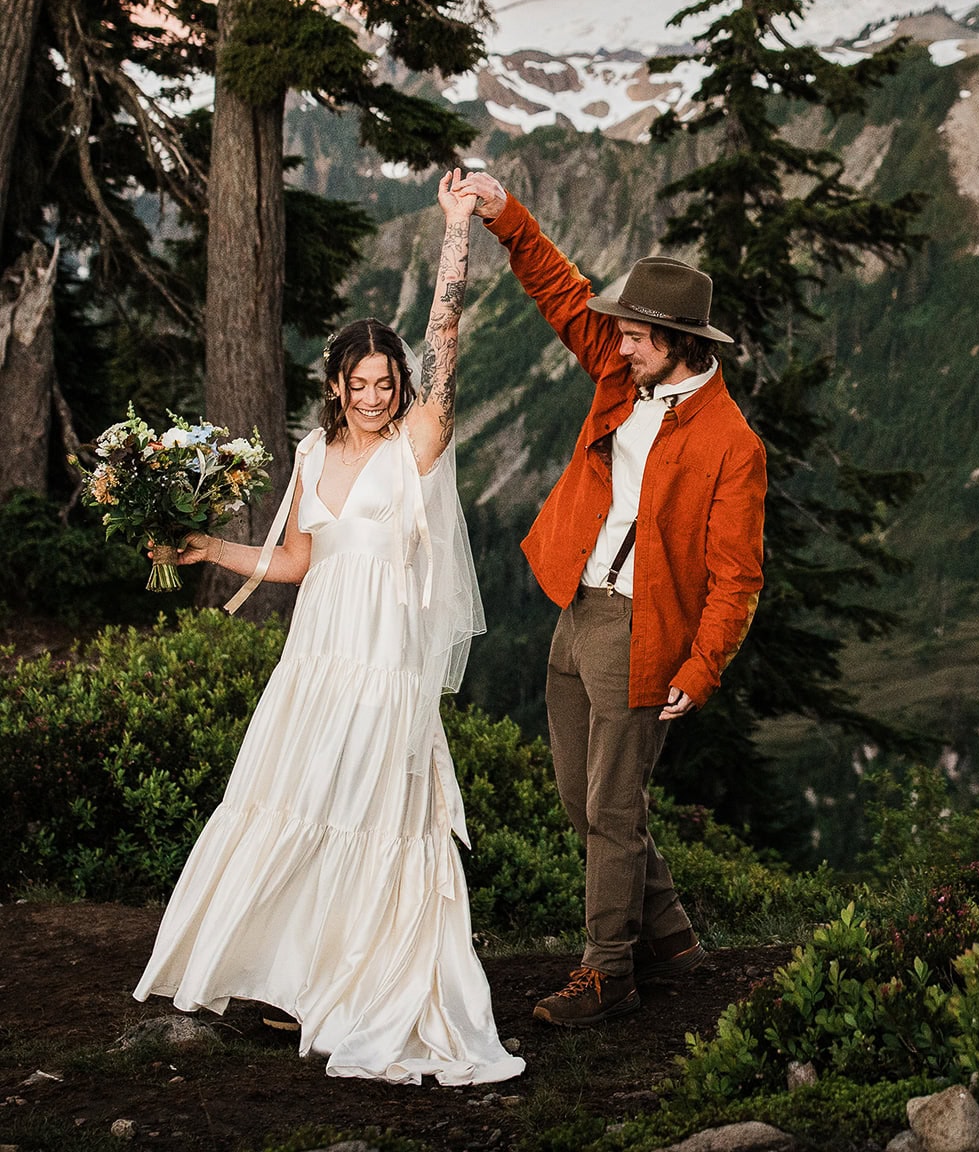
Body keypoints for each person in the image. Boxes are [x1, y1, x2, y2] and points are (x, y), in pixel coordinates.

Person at [133, 172, 523, 1087]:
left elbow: (446, 337)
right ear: (337, 388)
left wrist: (455, 231)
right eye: (363, 384)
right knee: (300, 797)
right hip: (317, 660)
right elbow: (298, 563)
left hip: (387, 664)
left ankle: (354, 981)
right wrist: (211, 549)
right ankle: (288, 976)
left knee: (368, 812)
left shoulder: (418, 443)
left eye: (388, 383)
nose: (378, 396)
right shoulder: (312, 454)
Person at [456, 171, 767, 1028]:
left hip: (642, 629)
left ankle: (608, 973)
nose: (617, 344)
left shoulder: (731, 443)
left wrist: (701, 669)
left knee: (611, 809)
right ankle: (670, 934)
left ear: (675, 340)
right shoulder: (620, 375)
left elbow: (738, 574)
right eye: (621, 334)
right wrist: (505, 216)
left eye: (633, 336)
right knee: (580, 801)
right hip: (578, 605)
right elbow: (562, 293)